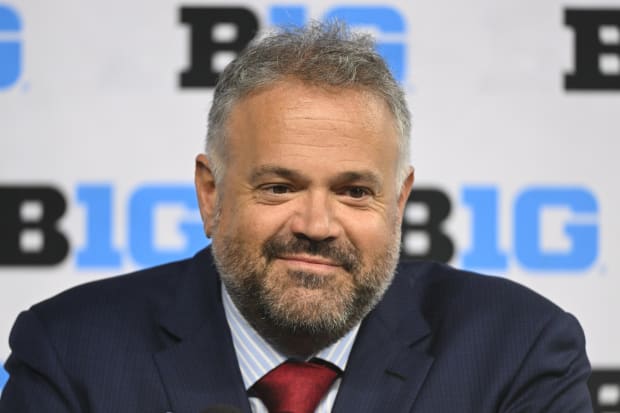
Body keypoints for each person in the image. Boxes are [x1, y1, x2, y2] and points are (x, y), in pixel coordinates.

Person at [0, 21, 592, 413]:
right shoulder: (73, 354)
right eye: (280, 186)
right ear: (211, 194)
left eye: (355, 191)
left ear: (400, 203)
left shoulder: (515, 352)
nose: (316, 223)